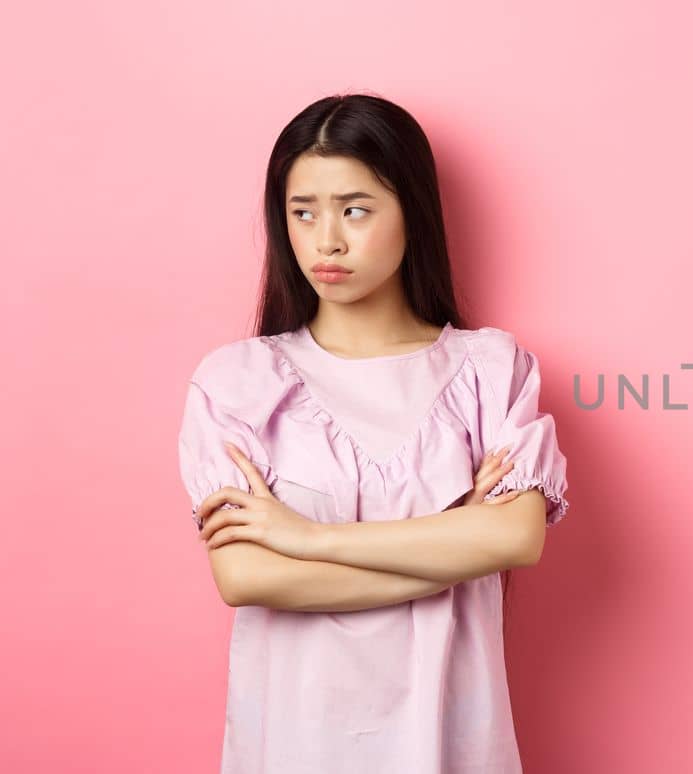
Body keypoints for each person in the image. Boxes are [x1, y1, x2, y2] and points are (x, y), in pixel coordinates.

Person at [177, 92, 570, 773]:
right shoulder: (238, 384)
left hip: (452, 742)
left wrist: (310, 540)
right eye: (303, 213)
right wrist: (453, 548)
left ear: (412, 213)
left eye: (355, 210)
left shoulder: (490, 370)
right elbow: (244, 575)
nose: (326, 240)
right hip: (299, 740)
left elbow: (514, 537)